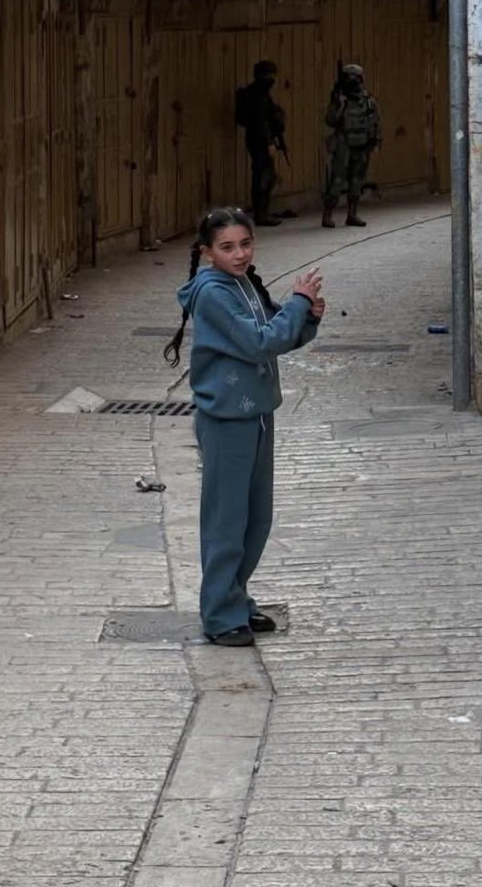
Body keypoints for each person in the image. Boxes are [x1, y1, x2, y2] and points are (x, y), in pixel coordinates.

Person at [164, 208, 324, 646]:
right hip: (226, 419)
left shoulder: (243, 283)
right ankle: (219, 615)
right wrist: (298, 302)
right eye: (227, 247)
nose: (239, 254)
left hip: (256, 412)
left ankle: (235, 599)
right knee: (226, 520)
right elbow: (260, 342)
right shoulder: (213, 293)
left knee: (255, 518)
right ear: (207, 252)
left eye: (246, 244)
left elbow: (281, 334)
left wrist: (308, 315)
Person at [322, 63, 380, 228]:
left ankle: (352, 214)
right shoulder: (341, 100)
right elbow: (330, 120)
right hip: (344, 144)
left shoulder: (368, 101)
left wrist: (375, 142)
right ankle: (328, 214)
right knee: (337, 180)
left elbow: (376, 122)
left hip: (362, 145)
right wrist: (338, 104)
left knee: (357, 181)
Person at [234, 60, 288, 227]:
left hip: (259, 139)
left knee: (265, 175)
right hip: (259, 140)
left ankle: (263, 213)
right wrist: (269, 143)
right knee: (264, 176)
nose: (272, 79)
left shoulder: (259, 93)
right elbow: (260, 121)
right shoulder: (258, 94)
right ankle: (261, 214)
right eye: (269, 75)